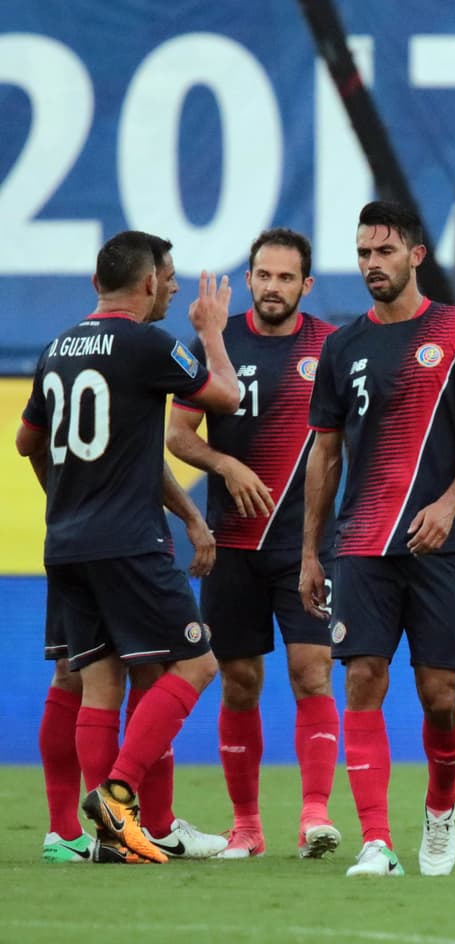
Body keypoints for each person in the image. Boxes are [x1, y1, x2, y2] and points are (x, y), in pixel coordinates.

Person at [16, 231, 241, 865]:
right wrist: (215, 332)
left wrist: (71, 501)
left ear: (96, 284)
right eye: (168, 279)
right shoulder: (147, 344)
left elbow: (28, 443)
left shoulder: (57, 348)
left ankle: (107, 838)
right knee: (197, 664)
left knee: (99, 683)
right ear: (147, 284)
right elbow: (226, 397)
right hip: (129, 545)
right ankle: (117, 797)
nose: (172, 288)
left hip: (67, 544)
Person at [299, 201, 455, 878]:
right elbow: (324, 455)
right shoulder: (342, 346)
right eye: (361, 253)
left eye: (383, 252)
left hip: (439, 541)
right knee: (362, 678)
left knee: (440, 694)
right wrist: (309, 551)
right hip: (360, 542)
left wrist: (447, 503)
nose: (370, 265)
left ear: (415, 255)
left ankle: (439, 814)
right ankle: (377, 842)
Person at [167, 228, 342, 860]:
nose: (273, 287)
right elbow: (178, 435)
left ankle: (315, 817)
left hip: (306, 545)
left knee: (311, 671)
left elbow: (349, 436)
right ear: (249, 280)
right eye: (263, 276)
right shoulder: (217, 342)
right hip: (232, 543)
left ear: (306, 285)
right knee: (239, 681)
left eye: (286, 278)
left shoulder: (331, 348)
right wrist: (227, 465)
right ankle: (247, 827)